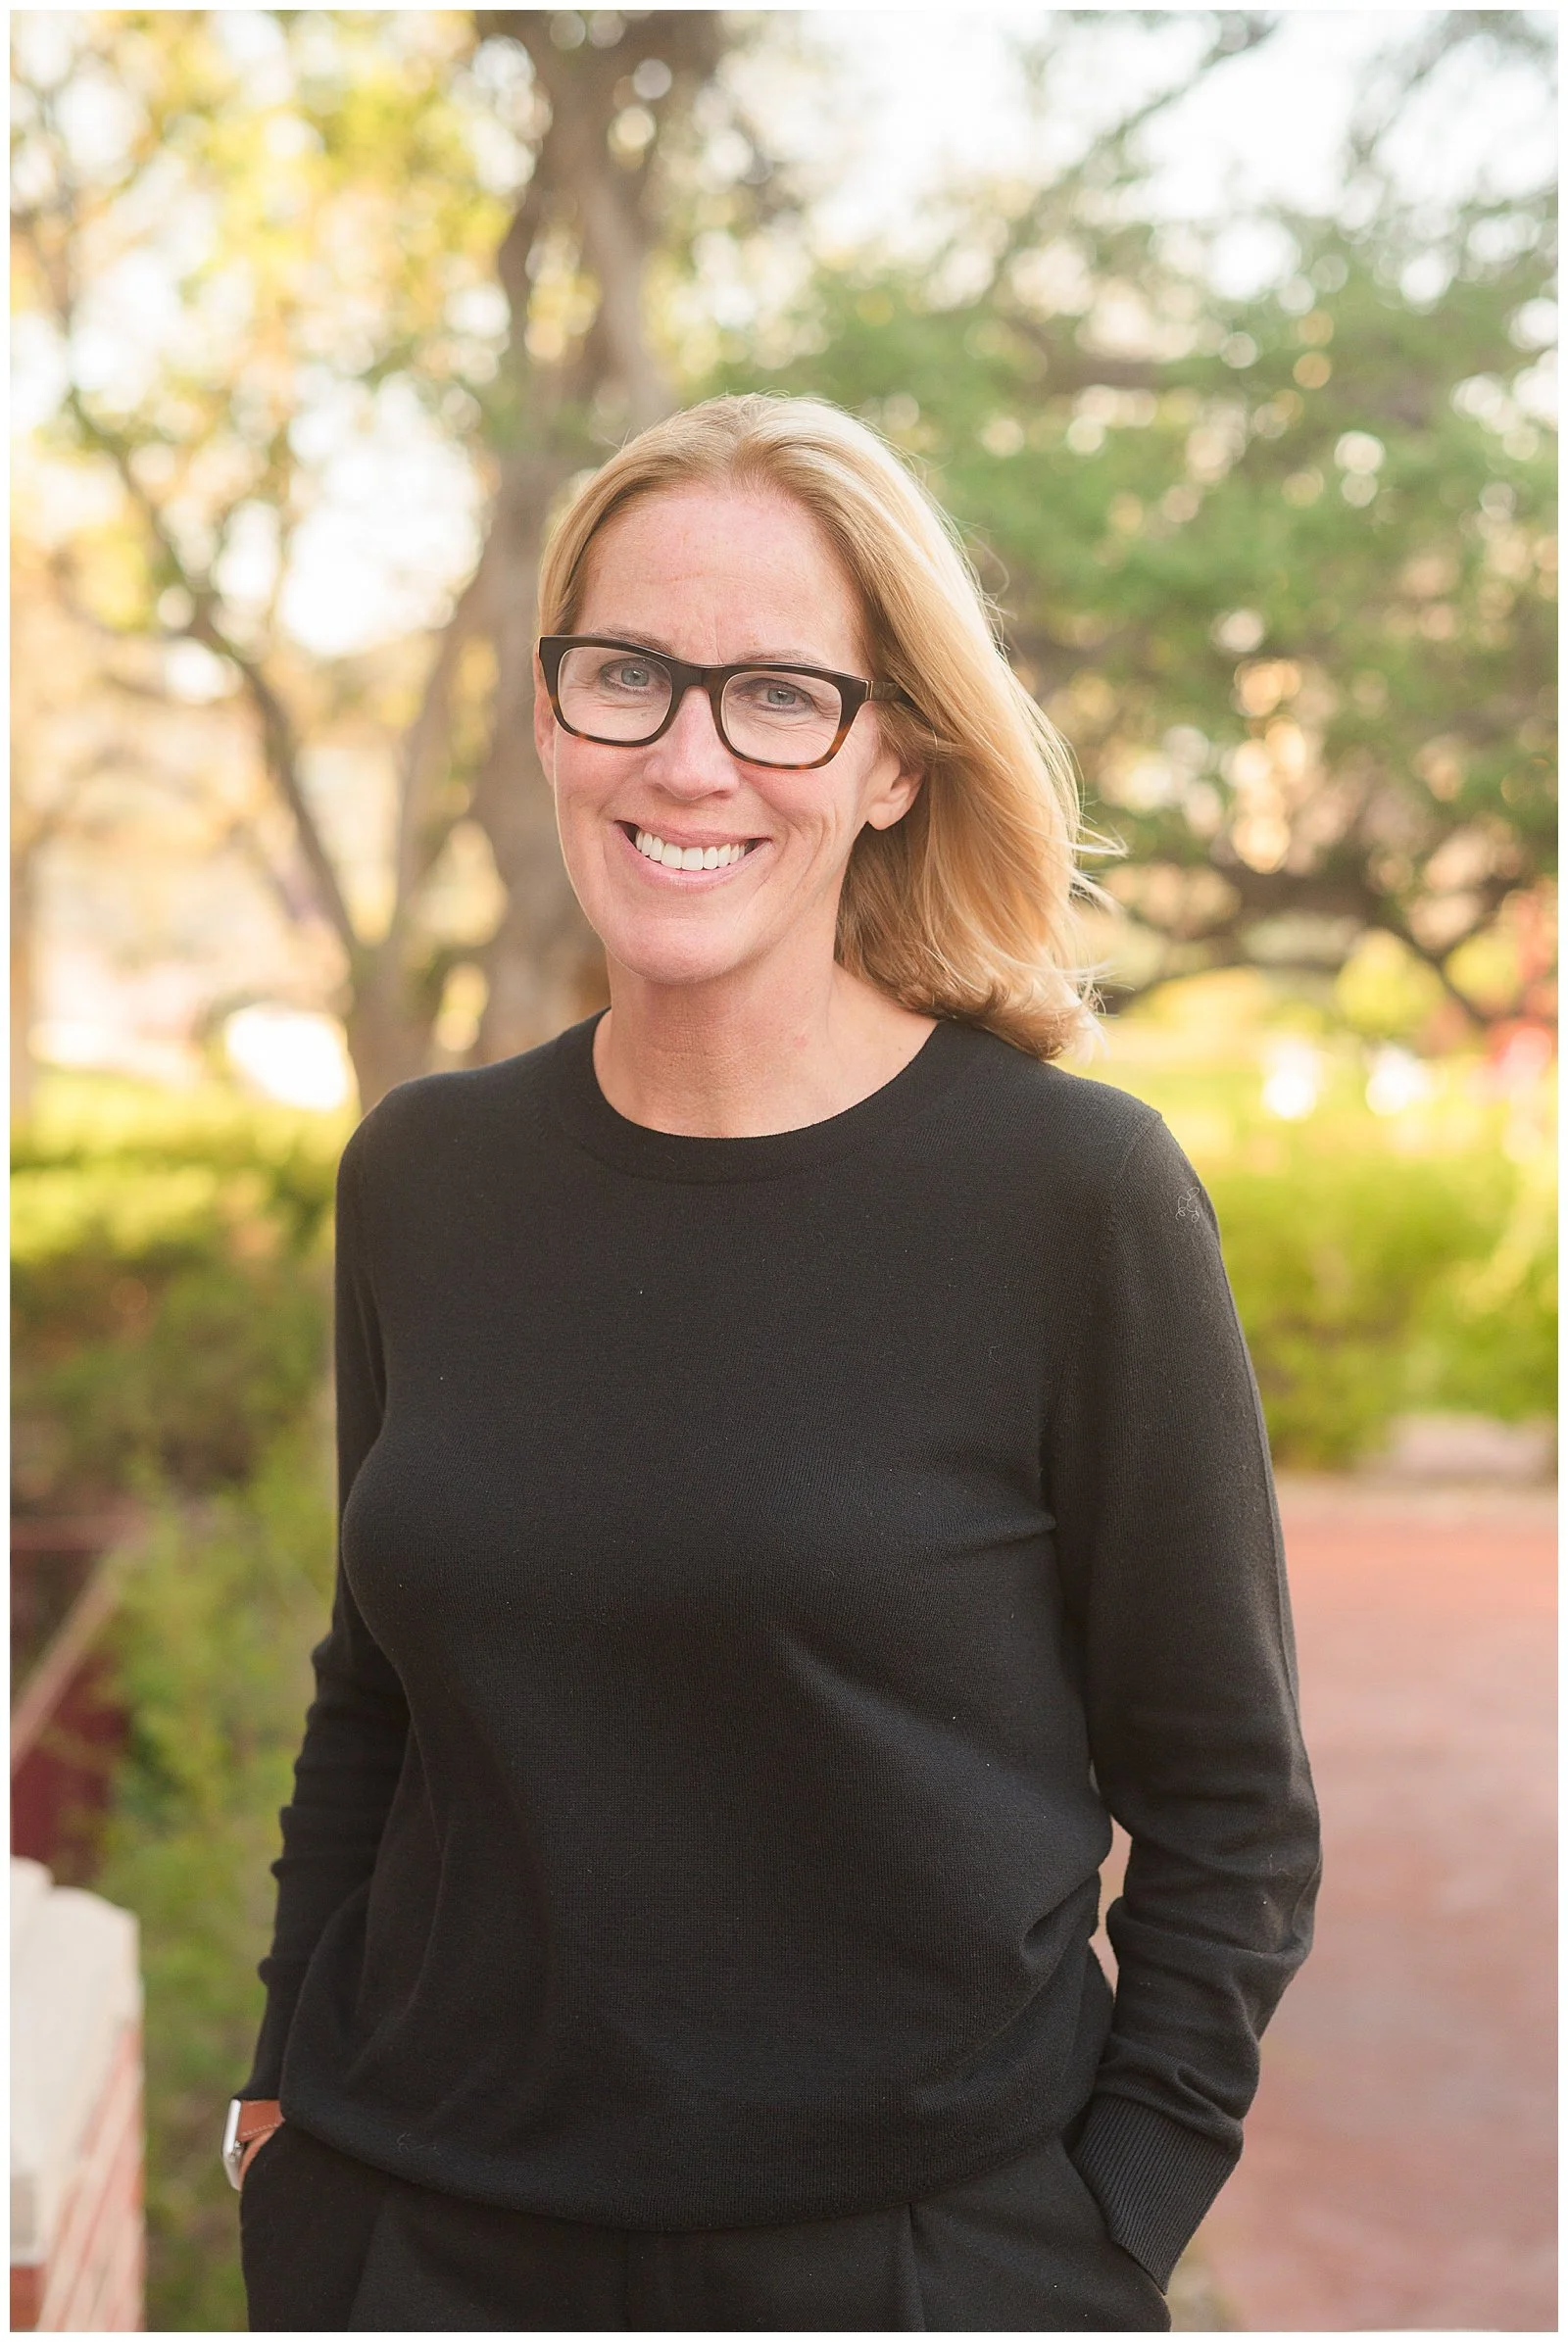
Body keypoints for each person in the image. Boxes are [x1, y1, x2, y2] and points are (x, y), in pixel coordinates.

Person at [231, 392, 1320, 2333]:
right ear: (551, 711)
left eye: (777, 696)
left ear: (891, 757)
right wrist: (278, 2106)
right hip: (416, 2241)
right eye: (628, 675)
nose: (688, 754)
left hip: (909, 2263)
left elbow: (1226, 1792)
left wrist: (1103, 2231)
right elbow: (377, 1682)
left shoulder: (1069, 1194)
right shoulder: (424, 1173)